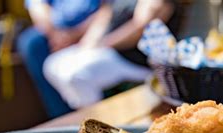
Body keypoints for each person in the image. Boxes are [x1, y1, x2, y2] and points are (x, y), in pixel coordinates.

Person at [42, 0, 183, 109]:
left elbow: (140, 27)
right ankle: (85, 114)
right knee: (52, 63)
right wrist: (88, 43)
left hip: (133, 59)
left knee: (76, 75)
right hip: (108, 49)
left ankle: (95, 122)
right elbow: (105, 15)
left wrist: (105, 44)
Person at [17, 0, 102, 118]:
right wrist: (55, 34)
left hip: (95, 28)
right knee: (32, 44)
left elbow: (108, 9)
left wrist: (76, 34)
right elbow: (37, 5)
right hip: (55, 31)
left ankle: (93, 117)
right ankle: (62, 117)